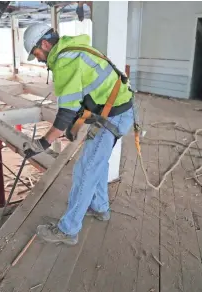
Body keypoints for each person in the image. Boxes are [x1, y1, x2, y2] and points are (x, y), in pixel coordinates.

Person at [22, 23, 134, 245]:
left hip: (112, 116)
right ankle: (100, 207)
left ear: (45, 44)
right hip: (117, 111)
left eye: (37, 54)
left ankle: (67, 230)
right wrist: (73, 125)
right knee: (96, 163)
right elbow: (81, 96)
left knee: (85, 171)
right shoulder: (73, 50)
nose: (40, 60)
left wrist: (43, 143)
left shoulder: (65, 61)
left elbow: (65, 112)